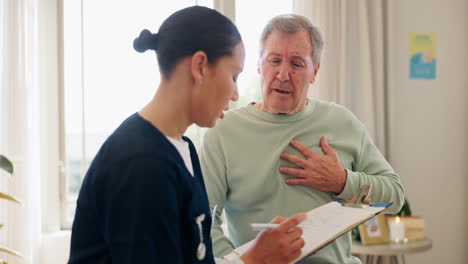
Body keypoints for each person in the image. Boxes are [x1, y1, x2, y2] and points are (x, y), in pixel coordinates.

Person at [67, 7, 307, 264]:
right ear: (200, 66)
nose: (236, 94)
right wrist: (255, 260)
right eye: (233, 76)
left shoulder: (184, 149)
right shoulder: (142, 165)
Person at [200, 14, 405, 263]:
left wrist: (343, 181)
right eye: (274, 60)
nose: (283, 74)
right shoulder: (224, 131)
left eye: (296, 64)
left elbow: (395, 195)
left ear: (314, 71)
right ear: (258, 65)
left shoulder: (342, 122)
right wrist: (240, 260)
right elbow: (203, 222)